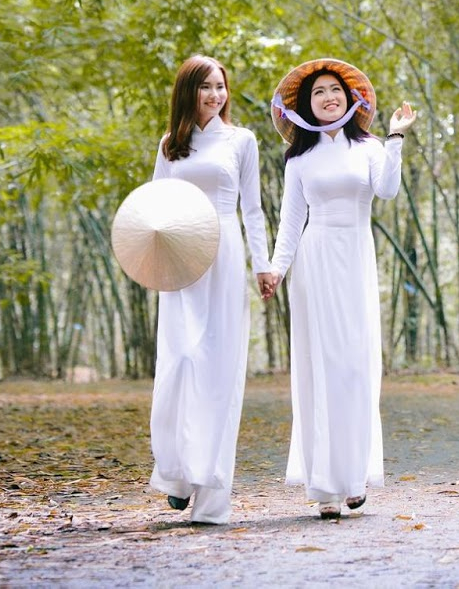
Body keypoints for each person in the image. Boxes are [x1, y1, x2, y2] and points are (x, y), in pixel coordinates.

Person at [262, 59, 417, 519]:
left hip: (355, 255)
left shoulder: (369, 147)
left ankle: (354, 477)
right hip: (315, 261)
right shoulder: (299, 159)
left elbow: (386, 190)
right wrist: (275, 269)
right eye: (318, 93)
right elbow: (291, 222)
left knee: (355, 363)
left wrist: (396, 137)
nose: (328, 97)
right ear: (305, 107)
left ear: (350, 99)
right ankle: (325, 485)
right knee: (319, 367)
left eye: (335, 90)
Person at [147, 55, 275, 524]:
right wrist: (151, 262)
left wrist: (263, 265)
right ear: (188, 92)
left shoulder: (242, 140)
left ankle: (213, 496)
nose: (215, 95)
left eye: (220, 86)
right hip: (180, 258)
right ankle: (178, 472)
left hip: (223, 253)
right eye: (205, 87)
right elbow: (154, 206)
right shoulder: (170, 145)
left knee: (219, 369)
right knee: (179, 361)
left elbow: (254, 209)